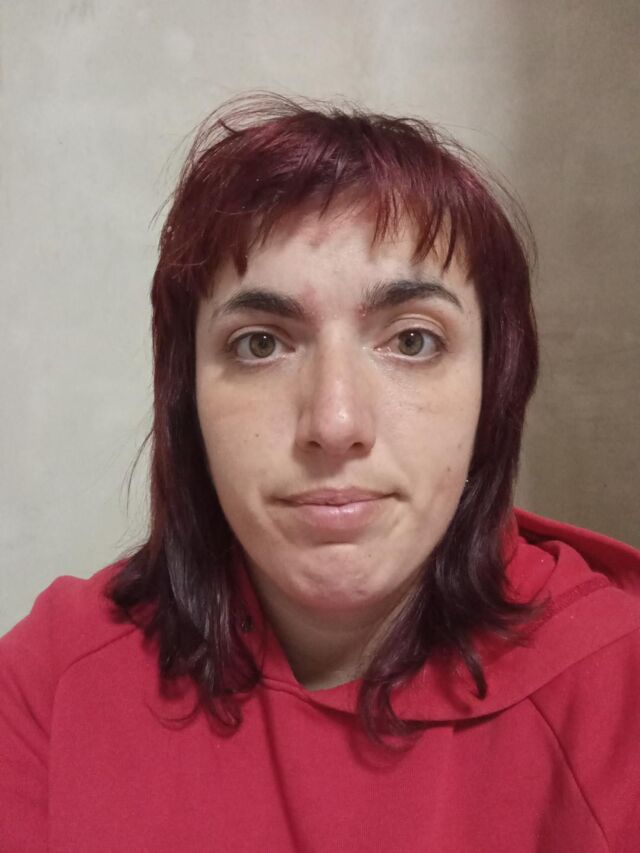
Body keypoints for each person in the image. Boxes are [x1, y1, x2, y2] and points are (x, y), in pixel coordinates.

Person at [1, 93, 639, 853]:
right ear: (185, 395)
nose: (335, 423)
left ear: (492, 389)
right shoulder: (54, 682)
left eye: (412, 340)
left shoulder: (619, 693)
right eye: (261, 344)